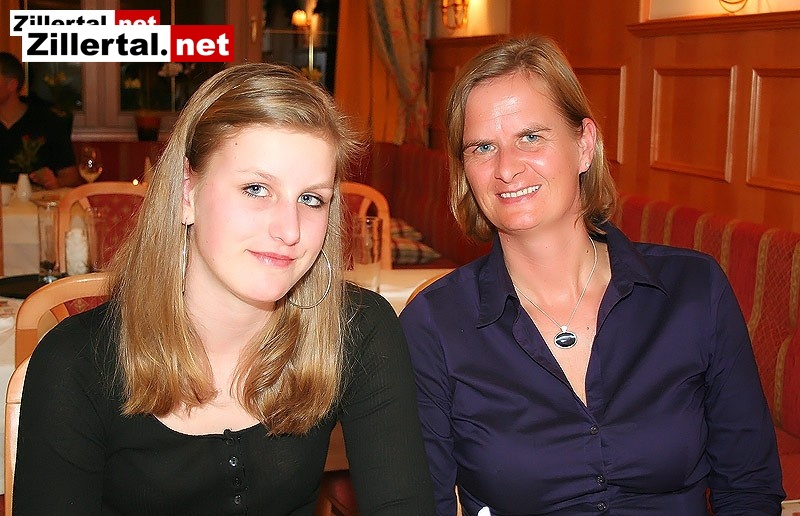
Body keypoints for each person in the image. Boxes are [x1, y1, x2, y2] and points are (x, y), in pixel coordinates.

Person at [14, 62, 436, 515]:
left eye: (311, 198)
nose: (290, 230)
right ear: (186, 194)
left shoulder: (357, 329)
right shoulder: (76, 363)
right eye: (256, 189)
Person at [400, 36, 785, 515]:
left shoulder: (694, 291)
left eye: (530, 137)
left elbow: (748, 487)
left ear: (584, 145)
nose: (506, 169)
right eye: (482, 147)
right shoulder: (434, 326)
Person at [0, 51, 80, 189]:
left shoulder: (48, 120)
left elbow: (72, 178)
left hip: (37, 200)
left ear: (12, 85)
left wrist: (56, 182)